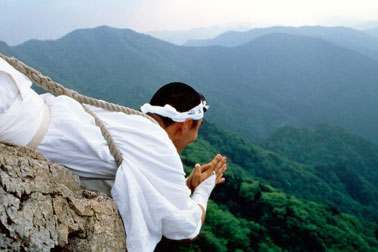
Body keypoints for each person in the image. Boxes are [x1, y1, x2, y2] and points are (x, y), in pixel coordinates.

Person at [0, 57, 227, 252]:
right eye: (198, 128)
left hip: (21, 101)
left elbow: (145, 188)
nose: (195, 137)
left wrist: (186, 186)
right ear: (185, 125)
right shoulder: (158, 144)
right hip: (13, 116)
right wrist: (204, 189)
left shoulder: (134, 124)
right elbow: (187, 227)